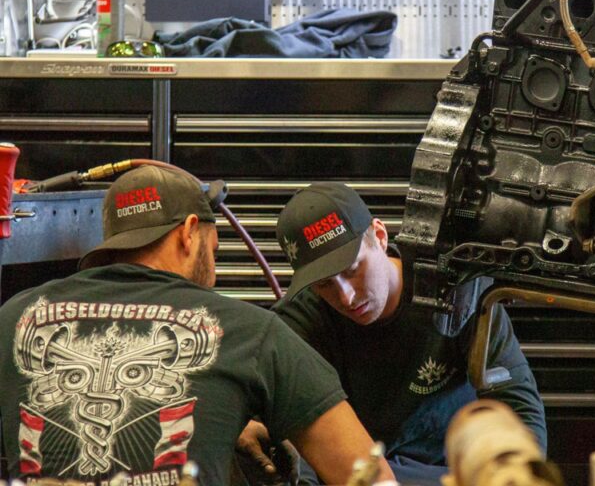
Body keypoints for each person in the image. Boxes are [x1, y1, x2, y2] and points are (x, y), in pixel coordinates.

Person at [0, 166, 394, 485]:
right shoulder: (254, 332)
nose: (214, 274)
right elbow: (370, 478)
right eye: (215, 250)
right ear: (189, 233)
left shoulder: (13, 317)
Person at [240, 182, 546, 485]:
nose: (346, 297)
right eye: (324, 284)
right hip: (355, 473)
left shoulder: (457, 292)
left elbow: (518, 405)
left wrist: (518, 477)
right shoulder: (299, 322)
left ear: (380, 236)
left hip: (451, 472)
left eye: (352, 269)